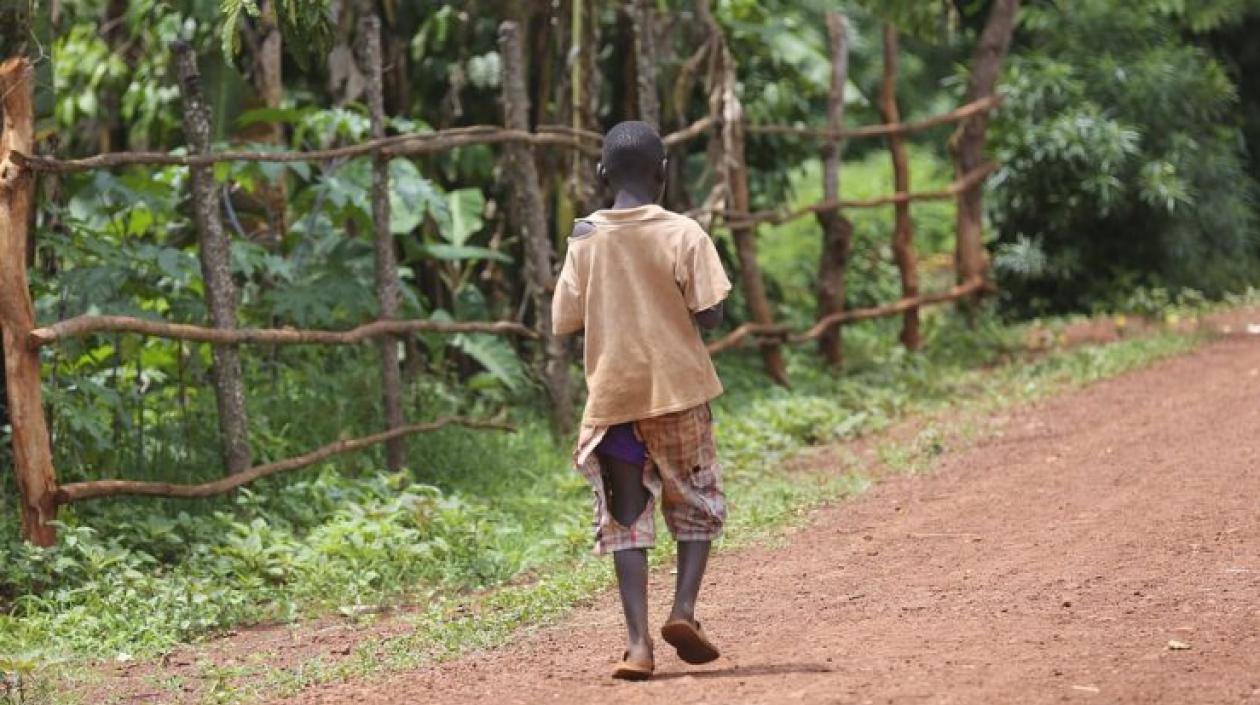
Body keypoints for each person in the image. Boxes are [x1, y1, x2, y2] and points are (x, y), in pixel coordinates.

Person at [552, 120, 731, 681]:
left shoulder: (584, 238)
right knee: (695, 501)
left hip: (615, 400)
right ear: (663, 172)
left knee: (625, 517)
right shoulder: (684, 233)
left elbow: (566, 319)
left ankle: (637, 646)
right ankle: (683, 611)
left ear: (602, 173)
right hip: (678, 394)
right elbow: (711, 313)